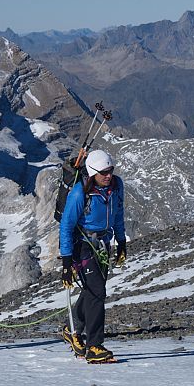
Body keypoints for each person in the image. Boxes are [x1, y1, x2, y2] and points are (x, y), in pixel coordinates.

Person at [59, 149, 126, 363]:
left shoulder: (116, 187)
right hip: (83, 247)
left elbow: (118, 213)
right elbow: (66, 226)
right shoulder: (80, 193)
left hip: (103, 245)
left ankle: (72, 330)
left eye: (110, 171)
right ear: (93, 172)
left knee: (92, 291)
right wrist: (67, 262)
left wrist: (122, 241)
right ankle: (94, 346)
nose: (109, 175)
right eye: (104, 172)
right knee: (97, 292)